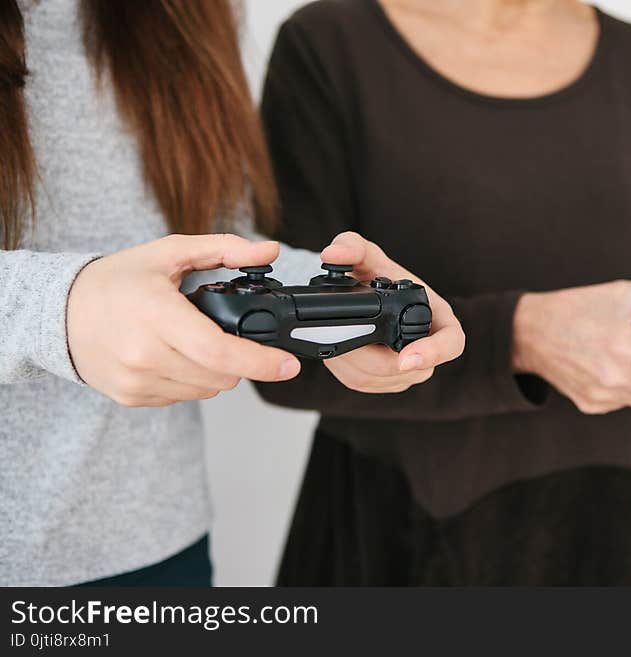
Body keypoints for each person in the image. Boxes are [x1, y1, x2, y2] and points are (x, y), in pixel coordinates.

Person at [255, 0, 631, 585]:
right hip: (406, 539)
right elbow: (283, 350)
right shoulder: (327, 45)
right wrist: (519, 339)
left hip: (630, 532)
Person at [0, 0, 463, 586]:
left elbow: (212, 241)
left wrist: (339, 293)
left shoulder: (182, 13)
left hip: (160, 546)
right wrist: (61, 309)